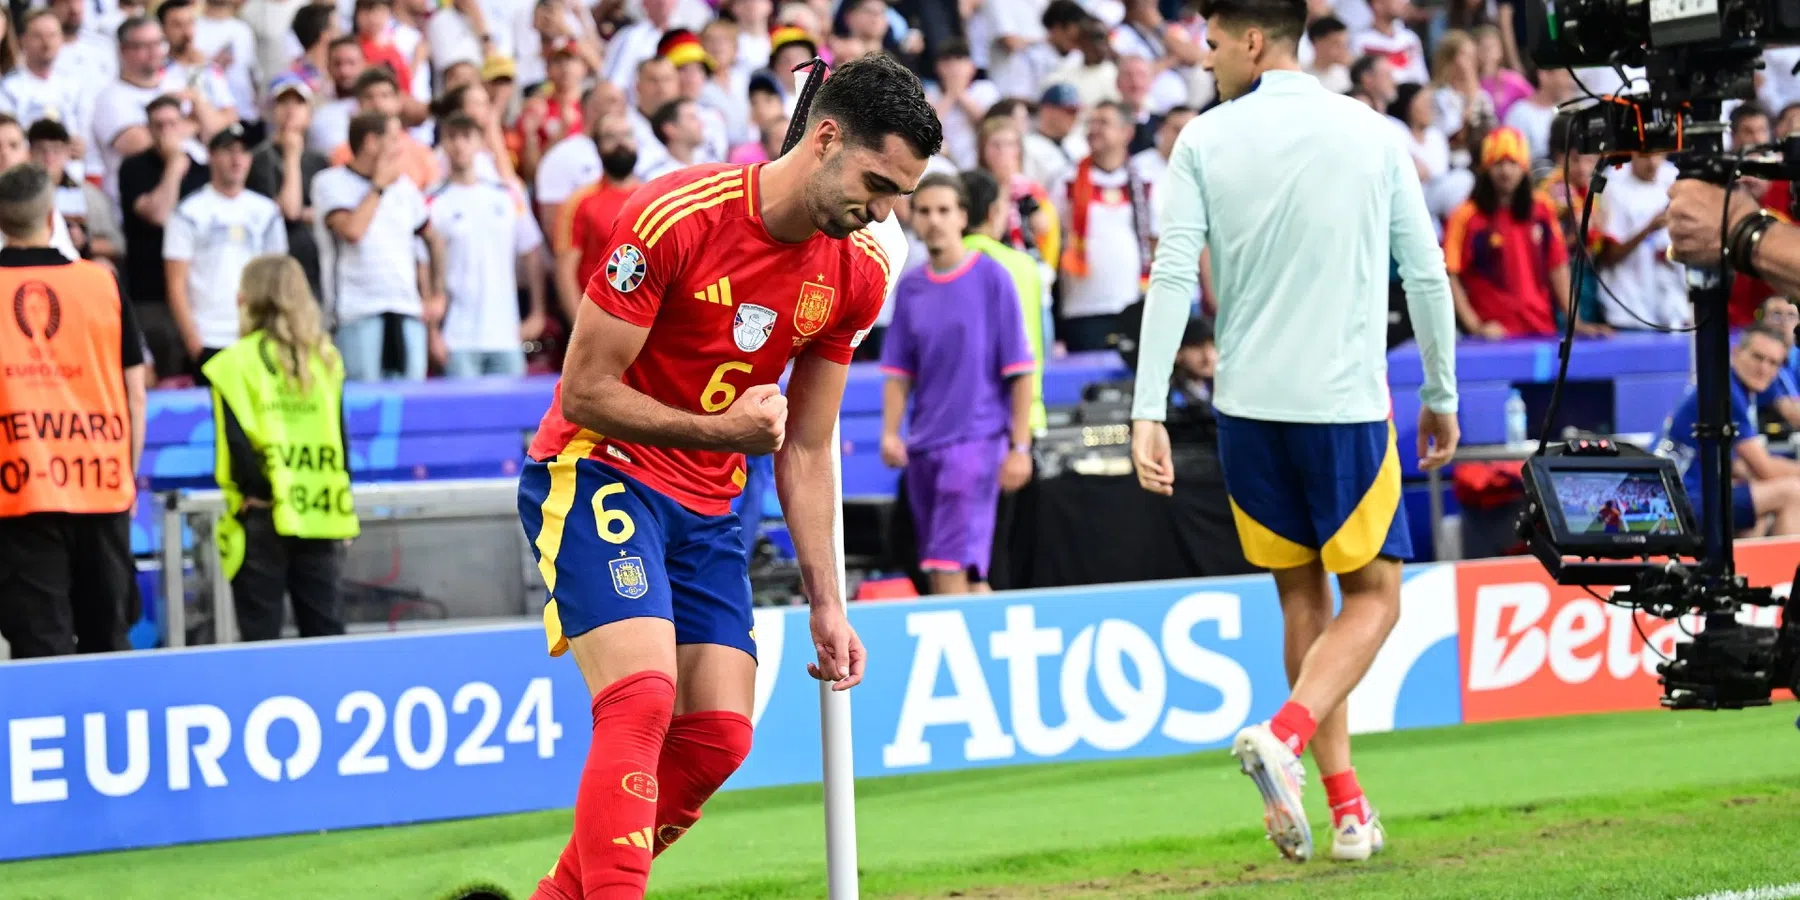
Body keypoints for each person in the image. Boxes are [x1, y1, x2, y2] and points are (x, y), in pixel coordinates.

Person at [515, 54, 939, 900]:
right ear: (825, 138)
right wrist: (721, 431)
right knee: (641, 698)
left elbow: (808, 449)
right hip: (599, 468)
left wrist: (827, 600)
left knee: (715, 738)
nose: (886, 213)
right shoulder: (677, 215)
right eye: (879, 183)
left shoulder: (852, 274)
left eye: (902, 195)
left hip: (708, 508)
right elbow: (583, 391)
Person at [1128, 0, 1459, 865]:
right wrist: (1440, 389)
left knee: (1301, 599)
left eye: (1208, 43)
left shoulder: (1202, 141)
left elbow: (1170, 274)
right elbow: (1424, 272)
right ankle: (1284, 733)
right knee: (1378, 597)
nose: (1203, 61)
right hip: (1343, 405)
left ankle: (1349, 811)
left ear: (1249, 40)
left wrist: (1148, 407)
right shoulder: (1374, 133)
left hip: (1246, 411)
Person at [0, 163, 147, 659]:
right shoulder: (101, 284)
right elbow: (135, 393)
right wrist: (123, 475)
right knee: (109, 643)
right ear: (51, 215)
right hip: (101, 486)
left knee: (40, 647)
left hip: (19, 495)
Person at [878, 173, 1035, 595]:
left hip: (977, 442)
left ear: (963, 216)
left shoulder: (993, 278)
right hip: (924, 448)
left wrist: (1020, 448)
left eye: (944, 210)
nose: (934, 221)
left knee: (945, 564)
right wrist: (892, 433)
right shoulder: (910, 288)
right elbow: (898, 371)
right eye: (925, 211)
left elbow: (1020, 369)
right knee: (959, 569)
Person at [202, 255, 358, 641]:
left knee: (261, 643)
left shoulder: (232, 363)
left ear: (248, 298)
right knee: (326, 638)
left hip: (261, 517)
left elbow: (238, 447)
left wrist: (260, 494)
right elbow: (339, 440)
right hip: (320, 511)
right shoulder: (326, 358)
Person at [313, 110, 444, 382]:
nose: (401, 148)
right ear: (371, 142)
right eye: (394, 139)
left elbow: (432, 239)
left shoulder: (405, 188)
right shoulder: (330, 182)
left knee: (411, 407)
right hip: (356, 312)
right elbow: (352, 230)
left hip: (406, 310)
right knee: (364, 407)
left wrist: (436, 295)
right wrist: (379, 187)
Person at [164, 124, 287, 382]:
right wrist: (192, 339)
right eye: (228, 151)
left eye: (243, 152)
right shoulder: (189, 212)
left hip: (256, 334)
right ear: (211, 156)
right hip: (209, 334)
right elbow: (176, 282)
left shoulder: (266, 212)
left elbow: (278, 278)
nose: (237, 159)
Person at [1655, 324, 1800, 536]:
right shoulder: (1727, 393)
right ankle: (1786, 569)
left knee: (1755, 511)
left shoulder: (1729, 385)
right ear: (1736, 353)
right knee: (1792, 493)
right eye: (1757, 357)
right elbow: (1766, 469)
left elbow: (1739, 466)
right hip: (1678, 503)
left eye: (1773, 363)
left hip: (1681, 496)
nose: (1764, 369)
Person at [430, 112, 546, 377]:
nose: (459, 145)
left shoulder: (508, 196)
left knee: (513, 418)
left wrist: (537, 312)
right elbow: (425, 268)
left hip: (505, 333)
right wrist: (433, 332)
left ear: (480, 143)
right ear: (444, 145)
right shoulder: (433, 202)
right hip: (457, 337)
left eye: (466, 137)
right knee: (460, 418)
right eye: (452, 138)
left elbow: (531, 250)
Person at [1442, 127, 1571, 339]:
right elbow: (1450, 276)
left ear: (1524, 168)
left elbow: (1558, 267)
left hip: (1541, 329)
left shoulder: (1542, 209)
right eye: (1498, 163)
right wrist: (1476, 327)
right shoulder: (1464, 216)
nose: (1506, 172)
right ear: (1485, 168)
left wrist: (1575, 321)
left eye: (1513, 163)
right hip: (1493, 337)